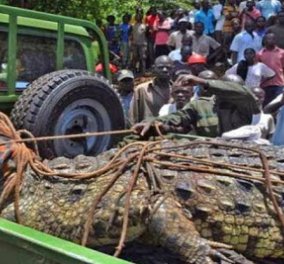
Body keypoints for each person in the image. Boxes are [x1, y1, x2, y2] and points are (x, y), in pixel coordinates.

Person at [132, 73, 259, 138]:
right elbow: (178, 117)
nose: (230, 94)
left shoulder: (246, 104)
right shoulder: (201, 105)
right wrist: (153, 121)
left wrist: (202, 81)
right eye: (226, 89)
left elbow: (244, 94)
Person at [129, 56, 173, 125]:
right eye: (160, 67)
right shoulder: (142, 90)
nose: (165, 70)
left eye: (168, 68)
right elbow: (133, 117)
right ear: (153, 69)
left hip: (172, 133)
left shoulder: (178, 91)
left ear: (173, 69)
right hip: (147, 133)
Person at [258, 32, 284, 105]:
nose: (271, 40)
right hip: (265, 84)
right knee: (266, 105)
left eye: (273, 39)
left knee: (278, 105)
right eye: (269, 39)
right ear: (265, 40)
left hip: (279, 83)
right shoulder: (260, 54)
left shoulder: (282, 52)